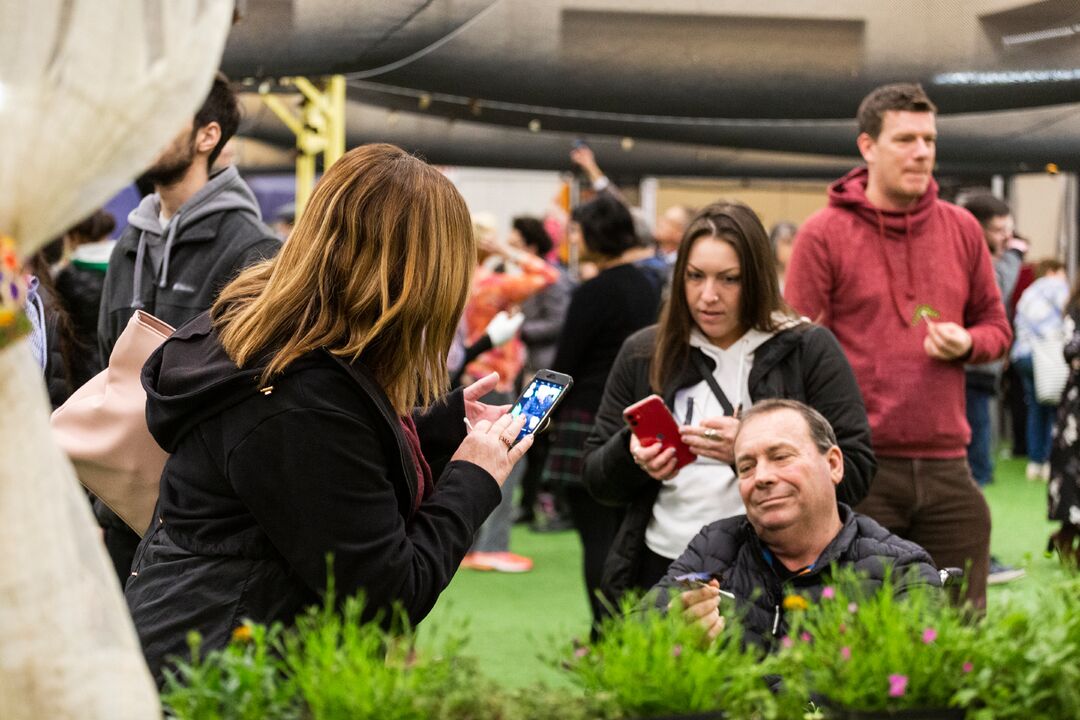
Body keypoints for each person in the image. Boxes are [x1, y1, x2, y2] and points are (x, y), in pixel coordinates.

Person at [125, 143, 533, 682]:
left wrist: (436, 425)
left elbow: (336, 470)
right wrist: (473, 479)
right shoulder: (298, 400)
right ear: (420, 279)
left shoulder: (273, 342)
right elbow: (388, 594)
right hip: (225, 677)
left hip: (202, 643)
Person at [583, 201, 875, 616]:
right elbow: (596, 479)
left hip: (778, 569)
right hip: (661, 563)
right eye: (695, 276)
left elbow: (856, 469)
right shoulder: (644, 351)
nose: (708, 296)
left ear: (756, 279)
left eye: (729, 279)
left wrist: (753, 453)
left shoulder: (808, 348)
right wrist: (632, 455)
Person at [785, 83, 1012, 611]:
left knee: (960, 628)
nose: (922, 152)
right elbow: (795, 350)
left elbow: (998, 328)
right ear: (868, 146)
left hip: (949, 465)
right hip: (861, 468)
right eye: (906, 139)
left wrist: (969, 342)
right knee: (859, 632)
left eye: (929, 139)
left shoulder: (961, 230)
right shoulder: (824, 234)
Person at [96, 74, 281, 583]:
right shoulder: (128, 244)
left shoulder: (254, 252)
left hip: (196, 526)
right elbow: (103, 364)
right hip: (118, 508)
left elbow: (253, 396)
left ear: (207, 136)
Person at [651, 399, 940, 648]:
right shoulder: (715, 545)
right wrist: (671, 632)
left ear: (834, 465)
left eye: (780, 457)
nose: (762, 476)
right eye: (747, 467)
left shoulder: (902, 570)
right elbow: (633, 635)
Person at [544, 193, 662, 632]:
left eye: (577, 232)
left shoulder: (592, 292)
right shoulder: (650, 286)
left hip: (588, 421)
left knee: (597, 538)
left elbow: (564, 365)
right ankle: (626, 639)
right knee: (625, 536)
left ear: (596, 235)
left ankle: (604, 638)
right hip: (641, 423)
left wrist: (526, 420)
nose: (574, 240)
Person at [958, 193, 1028, 584]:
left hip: (978, 381)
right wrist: (1014, 257)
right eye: (998, 230)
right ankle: (977, 559)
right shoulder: (978, 260)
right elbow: (995, 299)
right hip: (968, 381)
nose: (1005, 237)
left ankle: (973, 556)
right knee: (974, 472)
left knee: (976, 470)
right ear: (976, 227)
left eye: (1008, 230)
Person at [1011, 258, 1069, 481]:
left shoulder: (1028, 292)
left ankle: (1034, 462)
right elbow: (1068, 315)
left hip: (1023, 356)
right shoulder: (1056, 287)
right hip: (1047, 357)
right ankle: (1049, 460)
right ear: (1054, 271)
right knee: (1054, 407)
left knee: (1035, 407)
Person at [1049, 272, 1080, 567]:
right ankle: (1066, 537)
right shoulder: (1074, 310)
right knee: (1072, 472)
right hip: (1076, 411)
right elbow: (1071, 351)